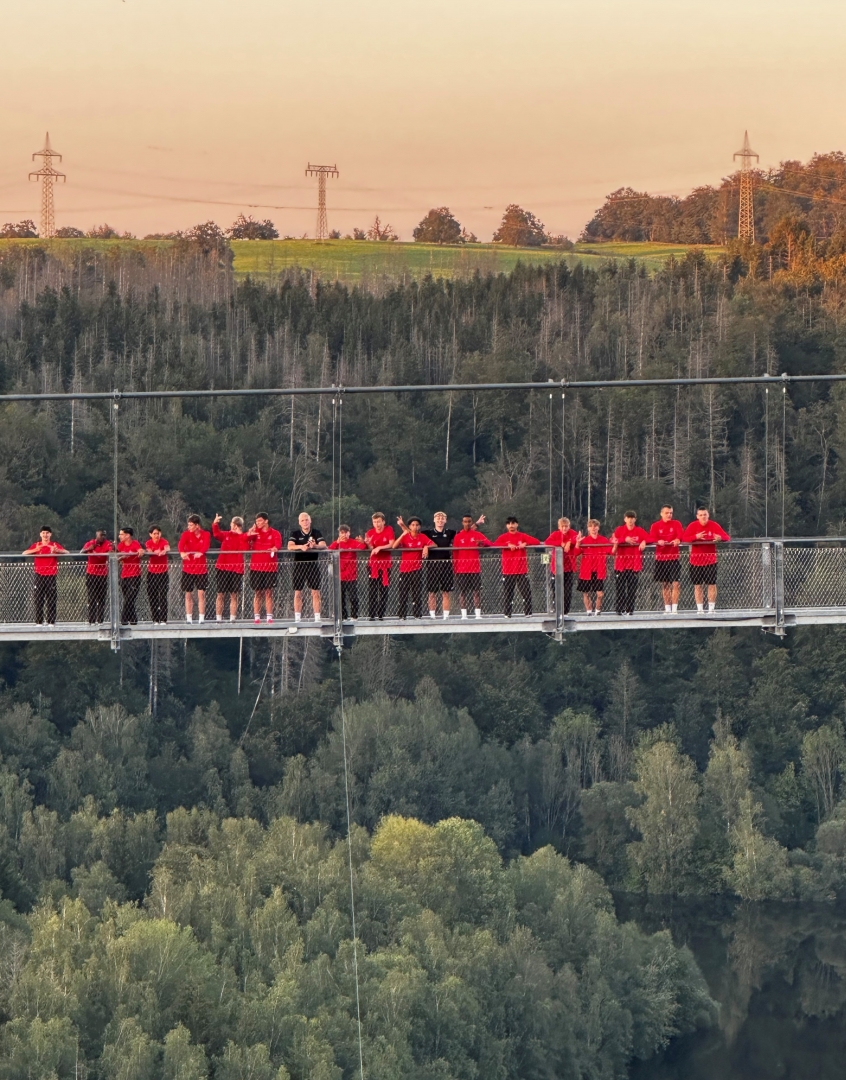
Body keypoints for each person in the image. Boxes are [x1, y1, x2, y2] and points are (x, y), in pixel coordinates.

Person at [682, 508, 730, 613]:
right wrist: (696, 537)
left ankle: (711, 609)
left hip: (710, 561)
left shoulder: (714, 525)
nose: (703, 517)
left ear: (708, 515)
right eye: (701, 515)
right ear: (697, 516)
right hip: (696, 561)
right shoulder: (692, 526)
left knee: (711, 584)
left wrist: (720, 538)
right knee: (697, 586)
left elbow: (727, 537)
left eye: (705, 514)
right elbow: (684, 538)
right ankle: (700, 609)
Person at [492, 517, 540, 617]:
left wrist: (526, 543)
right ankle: (507, 614)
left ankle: (528, 613)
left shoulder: (522, 536)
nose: (511, 526)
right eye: (509, 524)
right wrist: (507, 545)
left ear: (517, 525)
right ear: (506, 526)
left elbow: (537, 541)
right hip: (508, 570)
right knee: (508, 594)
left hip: (521, 570)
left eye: (513, 523)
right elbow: (495, 545)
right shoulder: (504, 537)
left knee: (526, 593)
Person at [23, 526, 67, 626]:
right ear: (40, 534)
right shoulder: (37, 545)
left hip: (51, 575)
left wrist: (57, 550)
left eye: (47, 533)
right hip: (39, 575)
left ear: (50, 534)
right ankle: (39, 621)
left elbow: (67, 552)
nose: (45, 535)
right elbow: (24, 553)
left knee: (51, 598)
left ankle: (51, 621)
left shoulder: (54, 545)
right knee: (38, 599)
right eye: (43, 533)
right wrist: (36, 550)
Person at [288, 512, 327, 623]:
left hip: (313, 565)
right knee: (298, 592)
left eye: (306, 520)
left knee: (315, 592)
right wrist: (301, 546)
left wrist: (315, 546)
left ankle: (317, 617)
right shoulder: (295, 533)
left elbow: (323, 545)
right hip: (299, 565)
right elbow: (290, 546)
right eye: (302, 520)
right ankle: (297, 618)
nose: (305, 522)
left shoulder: (316, 532)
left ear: (310, 521)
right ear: (299, 523)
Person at [392, 516, 434, 618]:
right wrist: (403, 534)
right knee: (403, 593)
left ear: (419, 527)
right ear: (410, 526)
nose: (415, 527)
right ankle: (402, 615)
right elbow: (394, 546)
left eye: (417, 525)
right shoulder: (406, 536)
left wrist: (426, 546)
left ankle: (417, 615)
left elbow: (434, 544)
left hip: (417, 569)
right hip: (404, 569)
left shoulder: (422, 537)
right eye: (413, 525)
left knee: (417, 593)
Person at [452, 514, 492, 619]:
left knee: (476, 592)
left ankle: (478, 615)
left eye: (469, 521)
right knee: (462, 592)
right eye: (465, 521)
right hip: (461, 569)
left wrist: (482, 543)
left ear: (471, 522)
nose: (467, 523)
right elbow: (455, 554)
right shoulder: (458, 536)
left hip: (475, 568)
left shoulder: (477, 534)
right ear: (462, 523)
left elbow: (489, 543)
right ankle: (464, 615)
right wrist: (455, 569)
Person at [611, 511, 649, 615]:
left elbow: (650, 537)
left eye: (632, 518)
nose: (630, 520)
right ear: (625, 519)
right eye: (628, 518)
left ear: (635, 519)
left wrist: (644, 541)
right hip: (621, 565)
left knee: (632, 589)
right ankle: (620, 609)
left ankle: (630, 610)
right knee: (620, 589)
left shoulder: (639, 530)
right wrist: (624, 539)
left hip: (634, 565)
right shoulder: (620, 530)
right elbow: (613, 540)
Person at [247, 513, 282, 623]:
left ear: (266, 521)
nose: (258, 523)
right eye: (256, 521)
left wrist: (275, 548)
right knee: (257, 592)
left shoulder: (275, 533)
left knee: (269, 592)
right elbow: (246, 543)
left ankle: (269, 617)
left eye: (260, 521)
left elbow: (278, 544)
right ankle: (257, 617)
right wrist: (249, 533)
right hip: (256, 567)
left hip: (270, 567)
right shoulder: (255, 532)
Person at [649, 504, 684, 613]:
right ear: (661, 514)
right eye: (667, 513)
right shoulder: (655, 526)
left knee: (676, 583)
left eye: (671, 513)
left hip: (673, 558)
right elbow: (651, 538)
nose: (669, 515)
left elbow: (681, 535)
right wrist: (657, 541)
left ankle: (674, 609)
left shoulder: (676, 523)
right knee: (665, 584)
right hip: (661, 559)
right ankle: (667, 608)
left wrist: (678, 539)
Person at [212, 514, 247, 621]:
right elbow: (216, 534)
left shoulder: (242, 537)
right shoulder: (226, 534)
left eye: (232, 523)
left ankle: (232, 618)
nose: (231, 525)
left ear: (236, 525)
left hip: (236, 569)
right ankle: (218, 618)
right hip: (223, 567)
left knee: (234, 595)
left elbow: (244, 548)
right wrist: (215, 523)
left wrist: (241, 535)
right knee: (220, 594)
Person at [422, 511, 457, 619]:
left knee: (446, 592)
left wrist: (477, 523)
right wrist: (426, 546)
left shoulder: (450, 532)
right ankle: (432, 616)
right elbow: (412, 533)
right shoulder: (428, 533)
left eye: (442, 518)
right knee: (432, 592)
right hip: (432, 565)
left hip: (446, 565)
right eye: (438, 518)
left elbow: (465, 531)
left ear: (445, 520)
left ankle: (445, 616)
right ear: (434, 520)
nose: (440, 520)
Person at [329, 525, 368, 620]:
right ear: (339, 534)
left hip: (351, 575)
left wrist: (363, 542)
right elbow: (330, 549)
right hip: (340, 575)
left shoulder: (353, 542)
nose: (344, 535)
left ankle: (354, 616)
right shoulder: (337, 543)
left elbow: (363, 547)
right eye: (342, 533)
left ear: (349, 533)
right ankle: (343, 616)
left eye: (346, 532)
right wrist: (337, 542)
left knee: (353, 597)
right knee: (341, 597)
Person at [178, 514, 211, 623]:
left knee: (201, 594)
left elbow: (206, 545)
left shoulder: (206, 534)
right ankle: (189, 618)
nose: (189, 527)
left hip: (201, 569)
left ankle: (201, 618)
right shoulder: (186, 534)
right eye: (188, 525)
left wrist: (201, 552)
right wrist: (182, 553)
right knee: (188, 594)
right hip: (188, 569)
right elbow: (180, 545)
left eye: (191, 525)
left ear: (197, 525)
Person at [544, 517, 579, 616]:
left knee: (567, 590)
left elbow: (576, 538)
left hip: (569, 567)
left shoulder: (572, 533)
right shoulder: (555, 534)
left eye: (566, 526)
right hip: (557, 568)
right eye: (562, 526)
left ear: (569, 526)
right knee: (556, 590)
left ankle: (565, 611)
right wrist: (560, 543)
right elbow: (547, 542)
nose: (564, 528)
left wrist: (569, 542)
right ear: (559, 527)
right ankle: (557, 610)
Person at [575, 520, 611, 615]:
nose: (593, 528)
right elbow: (576, 553)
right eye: (591, 526)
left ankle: (598, 610)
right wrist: (578, 543)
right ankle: (589, 611)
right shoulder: (584, 540)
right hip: (586, 571)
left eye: (595, 526)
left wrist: (615, 544)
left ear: (598, 528)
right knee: (586, 593)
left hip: (599, 571)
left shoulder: (603, 540)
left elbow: (611, 551)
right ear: (588, 528)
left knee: (600, 594)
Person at [365, 512, 395, 620]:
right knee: (372, 590)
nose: (377, 524)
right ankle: (372, 614)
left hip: (385, 565)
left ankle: (381, 614)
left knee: (383, 590)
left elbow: (392, 543)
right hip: (373, 565)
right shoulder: (370, 532)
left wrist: (380, 547)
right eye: (375, 522)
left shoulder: (389, 529)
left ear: (383, 522)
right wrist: (368, 543)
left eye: (378, 522)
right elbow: (371, 547)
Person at [81, 529, 111, 624]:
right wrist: (88, 549)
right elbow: (81, 552)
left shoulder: (107, 544)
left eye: (104, 535)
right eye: (101, 535)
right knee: (91, 597)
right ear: (97, 535)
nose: (103, 537)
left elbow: (111, 552)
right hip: (91, 573)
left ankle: (100, 620)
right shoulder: (90, 543)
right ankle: (91, 620)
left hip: (102, 574)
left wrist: (113, 548)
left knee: (101, 598)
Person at [117, 527, 143, 625]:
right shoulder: (120, 545)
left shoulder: (135, 543)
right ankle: (133, 619)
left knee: (130, 598)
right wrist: (121, 557)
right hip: (124, 575)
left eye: (121, 534)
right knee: (128, 599)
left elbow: (140, 550)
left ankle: (123, 619)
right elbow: (116, 557)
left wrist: (141, 551)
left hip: (135, 575)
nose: (119, 536)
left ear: (128, 535)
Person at [145, 526, 171, 624]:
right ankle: (155, 619)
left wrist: (164, 551)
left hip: (163, 572)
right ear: (150, 534)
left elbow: (167, 547)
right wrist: (154, 552)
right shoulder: (149, 542)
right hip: (152, 573)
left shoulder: (164, 541)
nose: (156, 535)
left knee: (163, 596)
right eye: (154, 534)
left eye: (158, 533)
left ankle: (163, 619)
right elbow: (149, 550)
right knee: (153, 596)